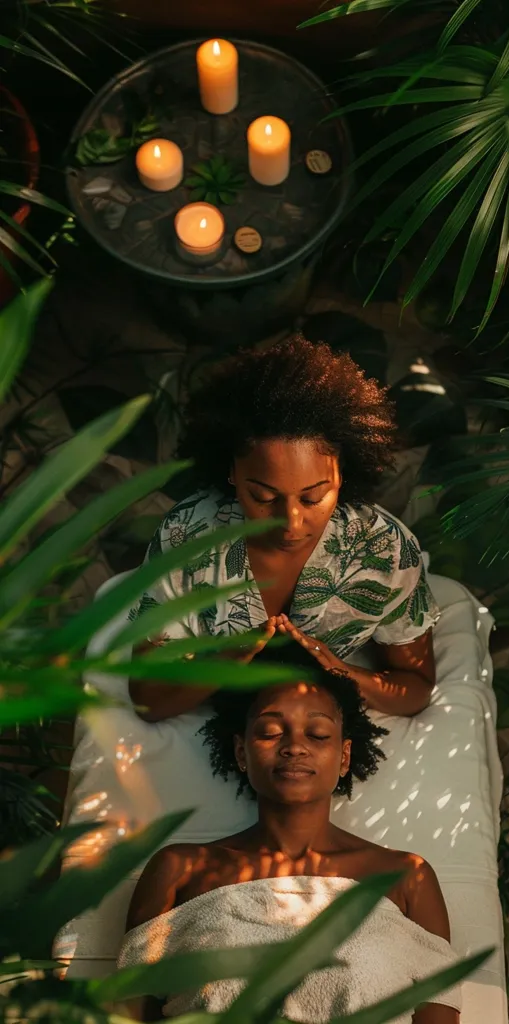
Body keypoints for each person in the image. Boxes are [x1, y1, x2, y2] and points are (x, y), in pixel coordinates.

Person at [119, 647, 461, 1023]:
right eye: (270, 732)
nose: (294, 747)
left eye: (317, 734)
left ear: (344, 757)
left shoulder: (405, 877)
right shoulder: (179, 870)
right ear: (241, 752)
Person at [129, 335, 439, 724]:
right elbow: (147, 698)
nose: (290, 522)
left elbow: (414, 687)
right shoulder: (186, 538)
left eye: (313, 498)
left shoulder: (384, 549)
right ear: (231, 473)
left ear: (343, 474)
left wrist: (340, 673)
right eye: (262, 495)